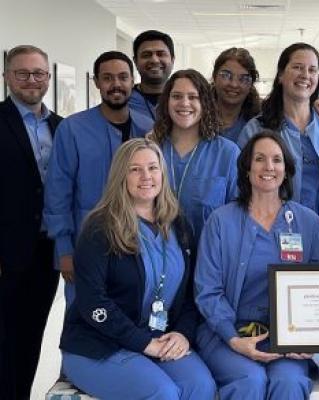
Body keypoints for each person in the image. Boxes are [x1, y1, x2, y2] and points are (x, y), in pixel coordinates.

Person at [59, 138, 216, 399]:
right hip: (99, 344)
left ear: (162, 174)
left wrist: (182, 333)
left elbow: (189, 296)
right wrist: (143, 343)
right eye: (135, 169)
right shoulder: (100, 228)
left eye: (153, 168)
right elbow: (93, 302)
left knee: (200, 387)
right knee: (162, 393)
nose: (146, 176)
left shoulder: (179, 225)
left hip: (158, 338)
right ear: (121, 175)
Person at [195, 131, 319, 399]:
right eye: (260, 159)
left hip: (286, 339)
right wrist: (233, 338)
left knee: (289, 383)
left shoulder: (308, 223)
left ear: (287, 169)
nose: (269, 167)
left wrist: (308, 339)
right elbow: (207, 290)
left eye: (277, 160)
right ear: (246, 169)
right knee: (250, 380)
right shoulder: (220, 222)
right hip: (226, 334)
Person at [238, 42, 319, 259]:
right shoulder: (257, 129)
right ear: (280, 75)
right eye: (297, 67)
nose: (305, 75)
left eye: (312, 69)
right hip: (273, 237)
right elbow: (241, 183)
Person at [44, 51, 153, 303]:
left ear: (132, 80)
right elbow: (58, 193)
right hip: (88, 243)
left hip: (140, 243)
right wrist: (64, 250)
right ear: (96, 82)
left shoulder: (148, 128)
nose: (116, 84)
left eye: (123, 77)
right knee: (84, 319)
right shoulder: (72, 129)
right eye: (108, 78)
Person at [0, 45, 62, 400]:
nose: (31, 80)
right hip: (4, 253)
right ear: (7, 77)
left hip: (45, 252)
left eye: (38, 73)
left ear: (48, 78)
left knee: (29, 339)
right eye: (22, 73)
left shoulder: (61, 126)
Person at [150, 69, 239, 240]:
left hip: (208, 259)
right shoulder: (152, 149)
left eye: (193, 97)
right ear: (166, 102)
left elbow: (237, 217)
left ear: (205, 103)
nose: (184, 103)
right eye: (176, 96)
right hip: (159, 256)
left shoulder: (227, 154)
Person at [212, 47, 261, 143]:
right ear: (214, 76)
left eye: (243, 78)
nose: (234, 84)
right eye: (226, 75)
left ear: (251, 84)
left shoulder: (258, 125)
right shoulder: (197, 117)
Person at [130, 30, 175, 121]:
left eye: (161, 54)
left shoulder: (188, 100)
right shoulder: (124, 101)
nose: (154, 60)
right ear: (135, 61)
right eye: (146, 55)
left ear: (172, 60)